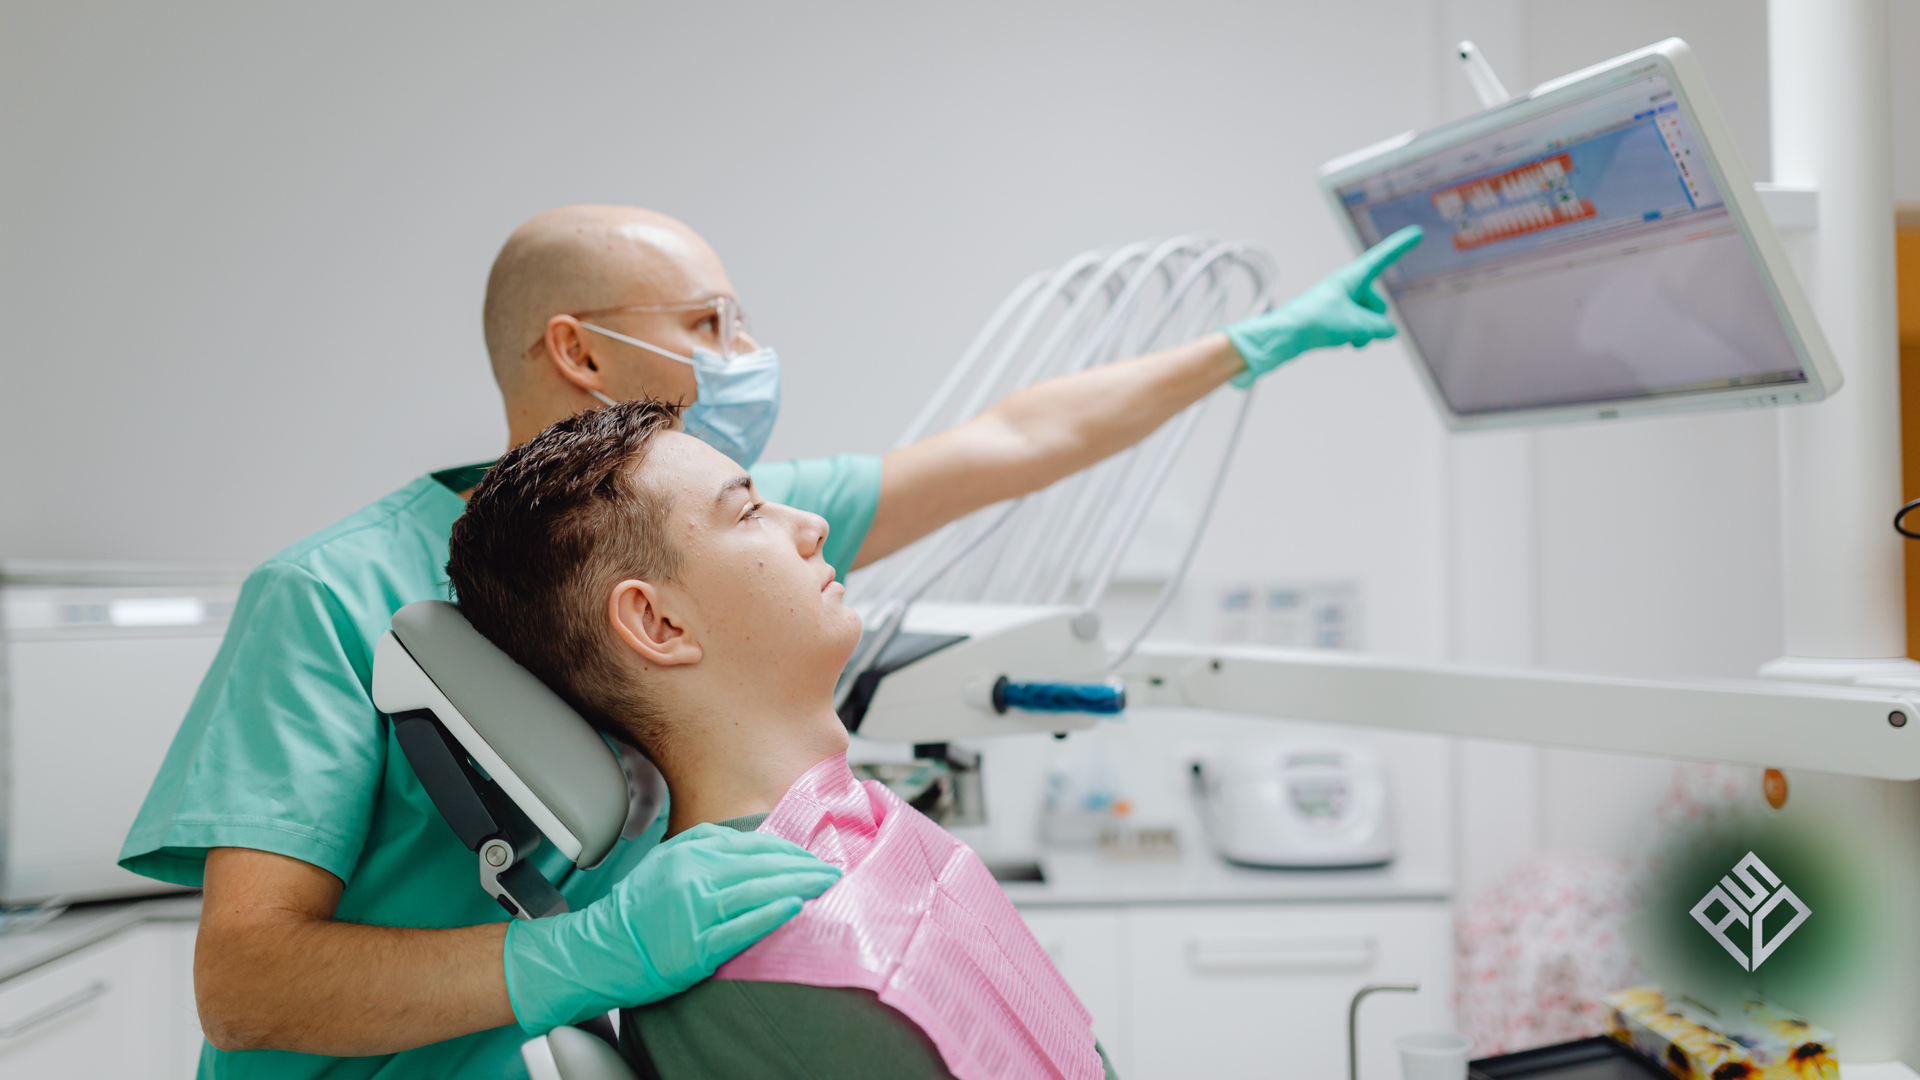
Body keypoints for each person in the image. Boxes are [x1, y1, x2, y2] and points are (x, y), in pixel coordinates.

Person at [120, 202, 1419, 1079]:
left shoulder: (715, 529)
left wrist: (1251, 347)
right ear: (577, 349)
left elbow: (1013, 442)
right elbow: (248, 983)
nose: (746, 360)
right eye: (707, 327)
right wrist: (581, 952)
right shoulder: (333, 597)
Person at [447, 399, 1118, 1080]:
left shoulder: (861, 836)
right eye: (748, 512)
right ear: (660, 623)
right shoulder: (762, 949)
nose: (813, 526)